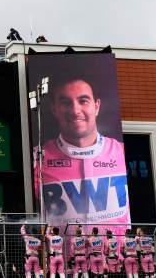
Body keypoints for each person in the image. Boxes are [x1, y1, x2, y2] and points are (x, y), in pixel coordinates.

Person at [38, 75, 129, 227]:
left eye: (83, 101)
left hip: (113, 250)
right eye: (65, 102)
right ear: (54, 109)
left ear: (97, 106)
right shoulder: (37, 158)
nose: (75, 111)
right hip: (60, 250)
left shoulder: (121, 151)